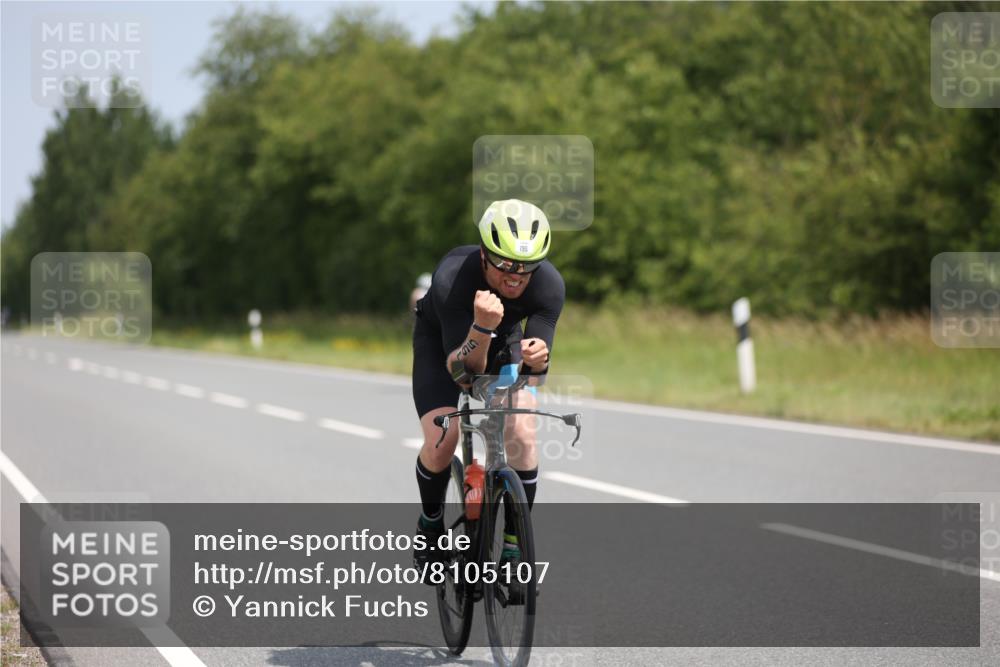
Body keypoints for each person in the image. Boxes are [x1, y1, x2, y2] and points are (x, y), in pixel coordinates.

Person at [411, 198, 565, 576]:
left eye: (527, 268)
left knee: (523, 432)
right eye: (506, 266)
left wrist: (539, 357)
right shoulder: (452, 278)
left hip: (504, 339)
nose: (516, 277)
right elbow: (462, 374)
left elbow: (536, 367)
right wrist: (480, 327)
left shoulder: (549, 286)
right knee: (441, 439)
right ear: (484, 254)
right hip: (443, 344)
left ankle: (514, 545)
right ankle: (430, 526)